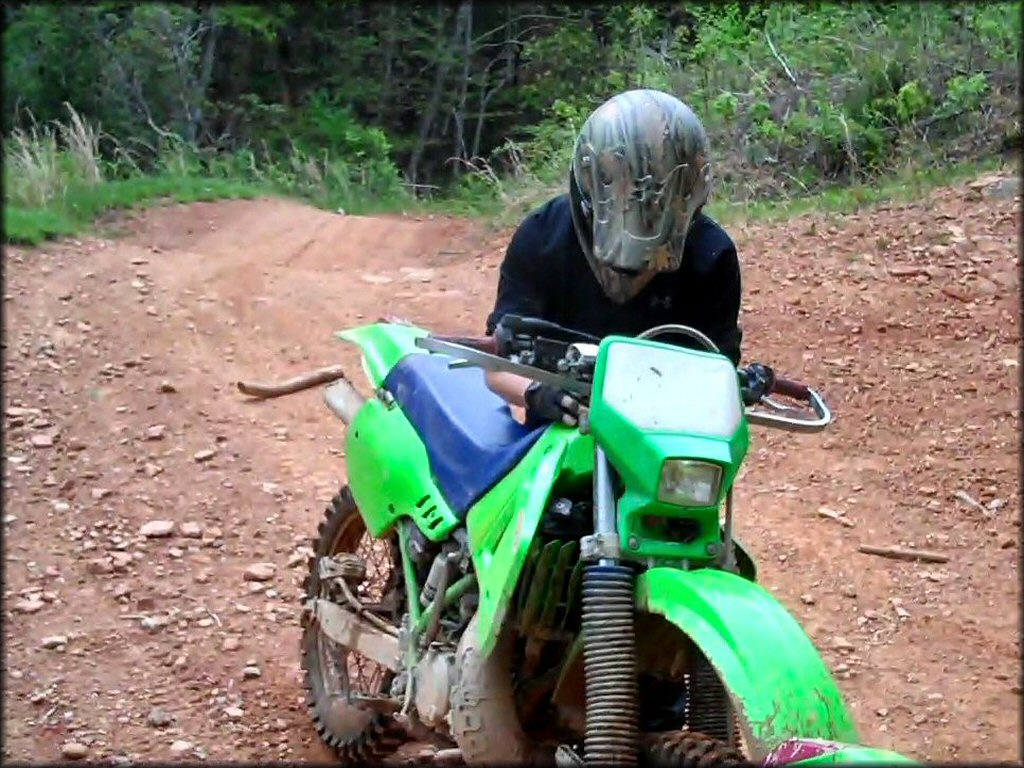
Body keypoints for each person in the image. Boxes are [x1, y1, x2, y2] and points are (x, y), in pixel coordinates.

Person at [483, 89, 745, 427]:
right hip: (561, 434)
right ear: (593, 183)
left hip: (663, 437)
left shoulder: (711, 255)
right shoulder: (542, 235)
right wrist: (537, 392)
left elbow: (718, 372)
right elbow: (497, 364)